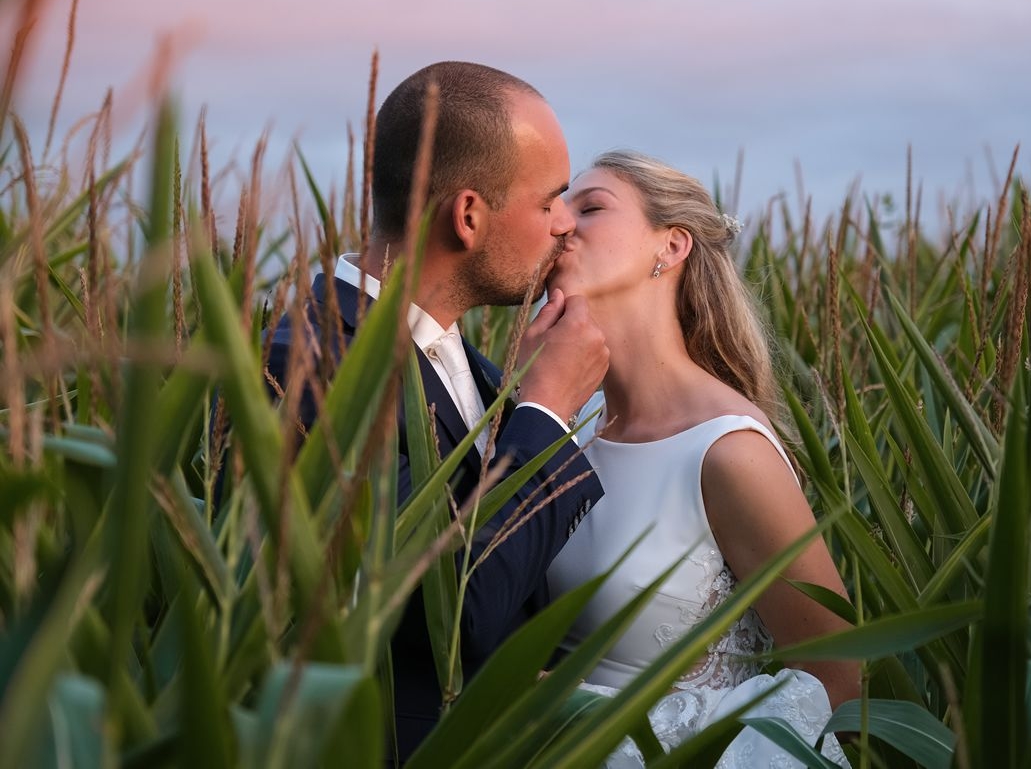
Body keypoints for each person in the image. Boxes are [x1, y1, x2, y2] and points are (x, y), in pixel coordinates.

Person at [261, 61, 609, 761]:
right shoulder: (311, 367)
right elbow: (451, 609)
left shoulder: (474, 368)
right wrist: (545, 412)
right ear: (469, 215)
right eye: (551, 201)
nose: (567, 225)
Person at [545, 150, 857, 766]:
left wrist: (586, 718)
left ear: (672, 246)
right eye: (558, 206)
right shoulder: (563, 428)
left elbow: (837, 685)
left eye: (592, 206)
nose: (561, 223)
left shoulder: (727, 451)